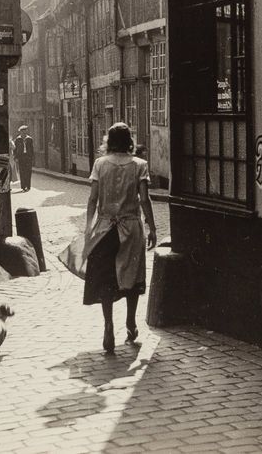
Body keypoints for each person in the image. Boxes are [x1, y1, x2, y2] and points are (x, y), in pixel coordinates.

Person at [83, 123, 157, 354]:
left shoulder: (100, 164)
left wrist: (88, 228)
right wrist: (152, 227)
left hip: (105, 229)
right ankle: (131, 324)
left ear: (108, 141)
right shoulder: (139, 165)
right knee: (132, 277)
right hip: (131, 228)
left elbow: (93, 199)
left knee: (107, 278)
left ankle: (108, 325)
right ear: (130, 142)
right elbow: (144, 199)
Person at [14, 125, 34, 192]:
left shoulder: (29, 139)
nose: (24, 133)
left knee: (28, 171)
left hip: (28, 157)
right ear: (20, 132)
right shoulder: (17, 139)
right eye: (23, 131)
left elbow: (32, 149)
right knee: (22, 172)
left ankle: (28, 186)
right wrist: (16, 157)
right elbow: (15, 149)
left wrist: (32, 157)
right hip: (21, 157)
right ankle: (23, 187)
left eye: (25, 131)